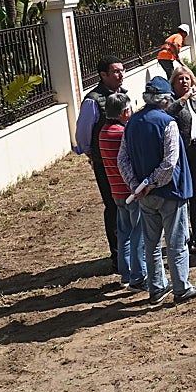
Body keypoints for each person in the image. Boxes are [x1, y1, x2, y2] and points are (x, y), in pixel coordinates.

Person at [118, 76, 196, 304]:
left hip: (145, 196)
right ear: (166, 99)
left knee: (151, 243)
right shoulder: (167, 122)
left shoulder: (131, 123)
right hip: (170, 192)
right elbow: (170, 162)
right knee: (177, 241)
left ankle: (157, 287)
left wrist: (136, 186)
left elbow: (122, 159)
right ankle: (181, 287)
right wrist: (150, 183)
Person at [74, 55, 125, 270]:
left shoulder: (122, 94)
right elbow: (83, 134)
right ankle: (117, 256)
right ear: (103, 75)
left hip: (125, 160)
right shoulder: (92, 101)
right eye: (115, 71)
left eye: (121, 70)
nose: (121, 74)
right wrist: (92, 154)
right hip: (105, 162)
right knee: (113, 206)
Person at [99, 93, 146, 291]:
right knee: (138, 234)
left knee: (124, 234)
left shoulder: (103, 132)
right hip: (130, 190)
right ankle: (139, 276)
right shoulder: (122, 133)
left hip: (116, 191)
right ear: (125, 112)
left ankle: (125, 274)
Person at [167, 65, 196, 253]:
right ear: (174, 83)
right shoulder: (172, 101)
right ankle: (187, 239)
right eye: (180, 79)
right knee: (183, 196)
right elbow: (169, 112)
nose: (184, 82)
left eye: (187, 79)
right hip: (180, 154)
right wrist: (184, 98)